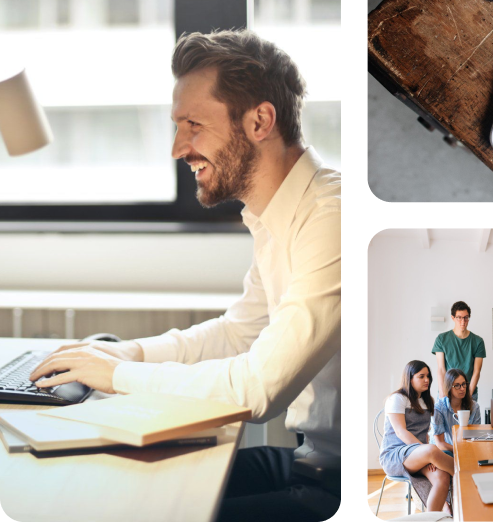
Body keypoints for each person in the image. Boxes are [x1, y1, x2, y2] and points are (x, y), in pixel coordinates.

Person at [29, 28, 341, 522]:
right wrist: (125, 353)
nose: (178, 148)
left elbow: (257, 389)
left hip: (342, 487)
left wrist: (117, 376)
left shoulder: (330, 219)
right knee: (121, 491)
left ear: (260, 120)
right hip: (306, 464)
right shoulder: (274, 216)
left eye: (193, 124)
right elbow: (239, 334)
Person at [380, 361, 455, 515]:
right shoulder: (397, 398)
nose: (427, 380)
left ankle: (432, 517)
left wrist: (426, 453)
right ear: (410, 378)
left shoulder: (427, 402)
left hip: (419, 454)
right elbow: (401, 432)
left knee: (442, 476)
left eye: (428, 376)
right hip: (395, 455)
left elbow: (424, 434)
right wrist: (427, 453)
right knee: (433, 450)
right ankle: (468, 476)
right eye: (421, 376)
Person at [433, 301, 486, 403]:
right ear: (453, 318)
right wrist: (442, 393)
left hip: (469, 391)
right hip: (447, 391)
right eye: (459, 317)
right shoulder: (441, 339)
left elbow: (477, 371)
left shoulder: (478, 341)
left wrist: (468, 395)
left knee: (469, 419)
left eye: (466, 317)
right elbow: (441, 369)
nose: (463, 321)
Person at [431, 368, 482, 456]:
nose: (462, 388)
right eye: (457, 385)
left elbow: (476, 436)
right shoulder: (439, 407)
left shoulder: (474, 407)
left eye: (464, 384)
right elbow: (440, 444)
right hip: (445, 451)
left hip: (467, 449)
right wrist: (460, 450)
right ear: (449, 387)